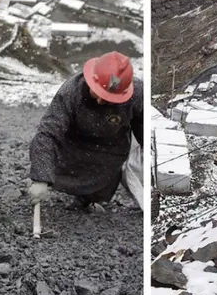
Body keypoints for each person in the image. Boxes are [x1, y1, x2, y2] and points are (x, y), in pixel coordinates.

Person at [27, 51, 143, 212]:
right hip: (73, 142)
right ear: (92, 80)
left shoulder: (137, 94)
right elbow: (48, 133)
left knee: (104, 177)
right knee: (63, 168)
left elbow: (141, 124)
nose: (101, 101)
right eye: (99, 93)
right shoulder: (71, 92)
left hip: (110, 147)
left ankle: (88, 200)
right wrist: (40, 178)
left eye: (110, 98)